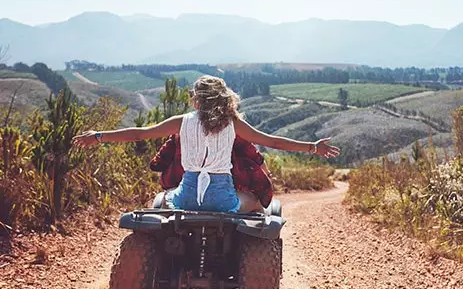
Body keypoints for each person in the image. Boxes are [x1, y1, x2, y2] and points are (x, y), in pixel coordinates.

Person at [73, 75, 340, 213]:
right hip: (222, 199)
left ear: (195, 99)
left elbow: (139, 134)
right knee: (259, 204)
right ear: (224, 99)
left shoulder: (181, 121)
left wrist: (99, 136)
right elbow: (272, 141)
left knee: (161, 200)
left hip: (187, 196)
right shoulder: (233, 123)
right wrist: (313, 147)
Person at [150, 133, 274, 211]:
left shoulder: (181, 130)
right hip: (225, 198)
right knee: (258, 207)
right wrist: (267, 175)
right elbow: (256, 158)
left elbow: (157, 164)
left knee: (161, 205)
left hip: (183, 197)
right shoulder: (233, 131)